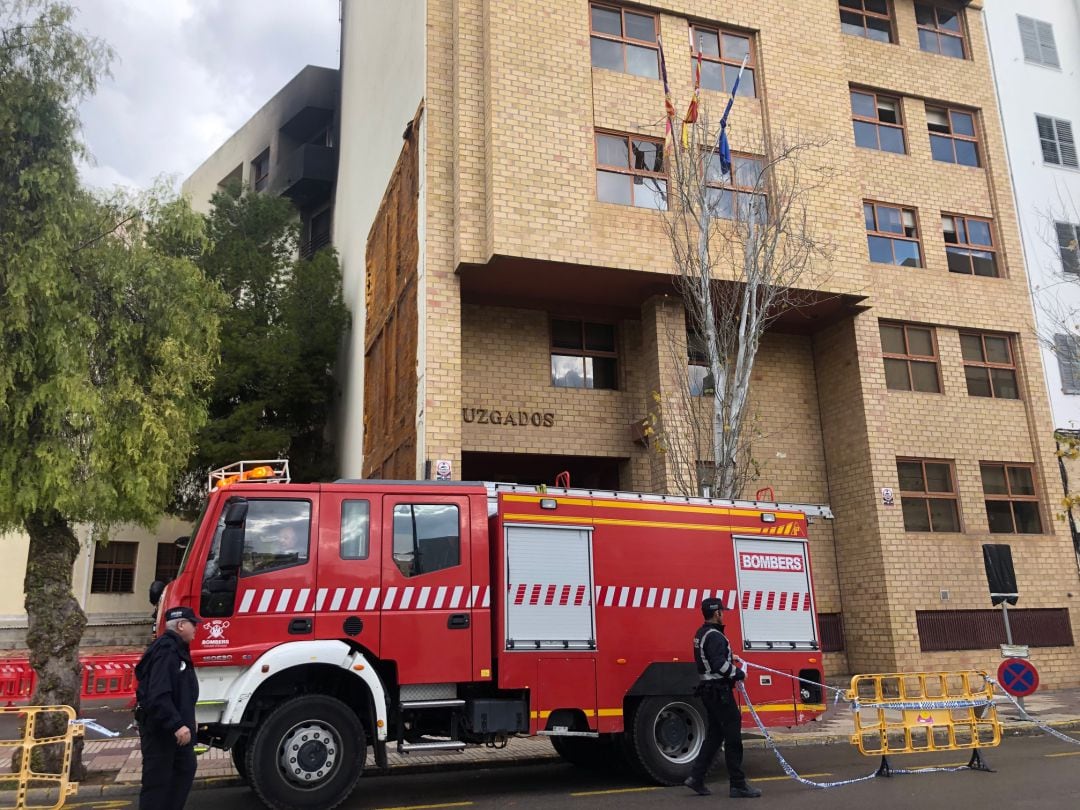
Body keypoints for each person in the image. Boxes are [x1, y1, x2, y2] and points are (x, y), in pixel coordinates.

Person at [684, 597, 762, 799]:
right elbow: (718, 664)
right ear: (717, 613)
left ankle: (696, 777)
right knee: (733, 738)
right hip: (720, 693)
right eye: (722, 611)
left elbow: (710, 659)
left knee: (714, 737)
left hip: (709, 692)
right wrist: (738, 673)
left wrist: (731, 658)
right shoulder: (715, 636)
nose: (724, 614)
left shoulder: (702, 633)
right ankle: (738, 784)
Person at [135, 605, 200, 810]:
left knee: (185, 769)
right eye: (193, 624)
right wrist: (176, 724)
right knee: (158, 782)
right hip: (162, 729)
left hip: (174, 727)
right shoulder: (166, 650)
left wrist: (188, 718)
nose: (196, 629)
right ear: (181, 625)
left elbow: (180, 691)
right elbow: (158, 694)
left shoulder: (177, 649)